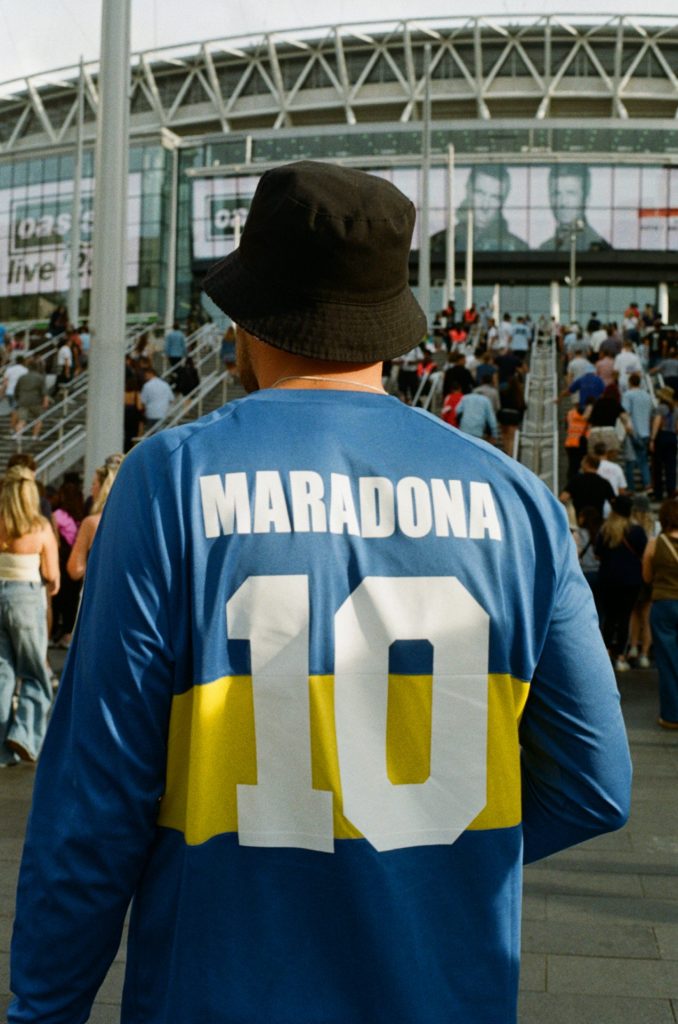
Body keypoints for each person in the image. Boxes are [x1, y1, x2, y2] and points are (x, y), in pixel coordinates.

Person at [9, 160, 631, 1024]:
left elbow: (95, 802)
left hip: (219, 990)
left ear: (248, 318)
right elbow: (597, 783)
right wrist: (421, 848)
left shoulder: (171, 481)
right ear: (388, 323)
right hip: (445, 996)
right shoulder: (519, 501)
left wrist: (44, 1008)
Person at [0, 465, 59, 765]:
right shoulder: (40, 527)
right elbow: (52, 574)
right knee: (35, 671)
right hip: (26, 597)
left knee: (3, 673)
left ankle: (2, 749)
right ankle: (25, 734)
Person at [595, 494, 647, 672]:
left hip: (608, 579)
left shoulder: (605, 530)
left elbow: (598, 554)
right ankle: (620, 656)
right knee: (625, 618)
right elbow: (643, 553)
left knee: (609, 617)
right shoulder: (637, 531)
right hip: (631, 580)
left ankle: (605, 653)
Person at [642, 498, 678, 728]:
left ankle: (671, 715)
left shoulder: (655, 543)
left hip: (664, 605)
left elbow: (646, 576)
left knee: (667, 661)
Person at [66, 458, 123, 583]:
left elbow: (75, 569)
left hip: (100, 587)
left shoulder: (92, 523)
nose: (91, 489)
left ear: (103, 488)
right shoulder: (139, 522)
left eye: (93, 484)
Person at [539, 165, 611, 252]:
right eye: (556, 193)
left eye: (571, 193)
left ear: (586, 199)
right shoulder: (545, 248)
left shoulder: (599, 248)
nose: (563, 202)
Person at [649, 386, 677, 500]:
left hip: (661, 437)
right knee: (671, 466)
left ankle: (658, 493)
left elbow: (657, 422)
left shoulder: (660, 408)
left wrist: (652, 439)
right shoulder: (675, 409)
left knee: (658, 467)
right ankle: (671, 491)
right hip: (672, 437)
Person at [140, 365, 174, 431]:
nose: (144, 377)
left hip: (151, 413)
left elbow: (143, 401)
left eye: (145, 375)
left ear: (150, 374)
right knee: (161, 431)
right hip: (163, 412)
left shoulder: (147, 385)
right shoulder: (165, 384)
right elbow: (171, 399)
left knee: (151, 432)